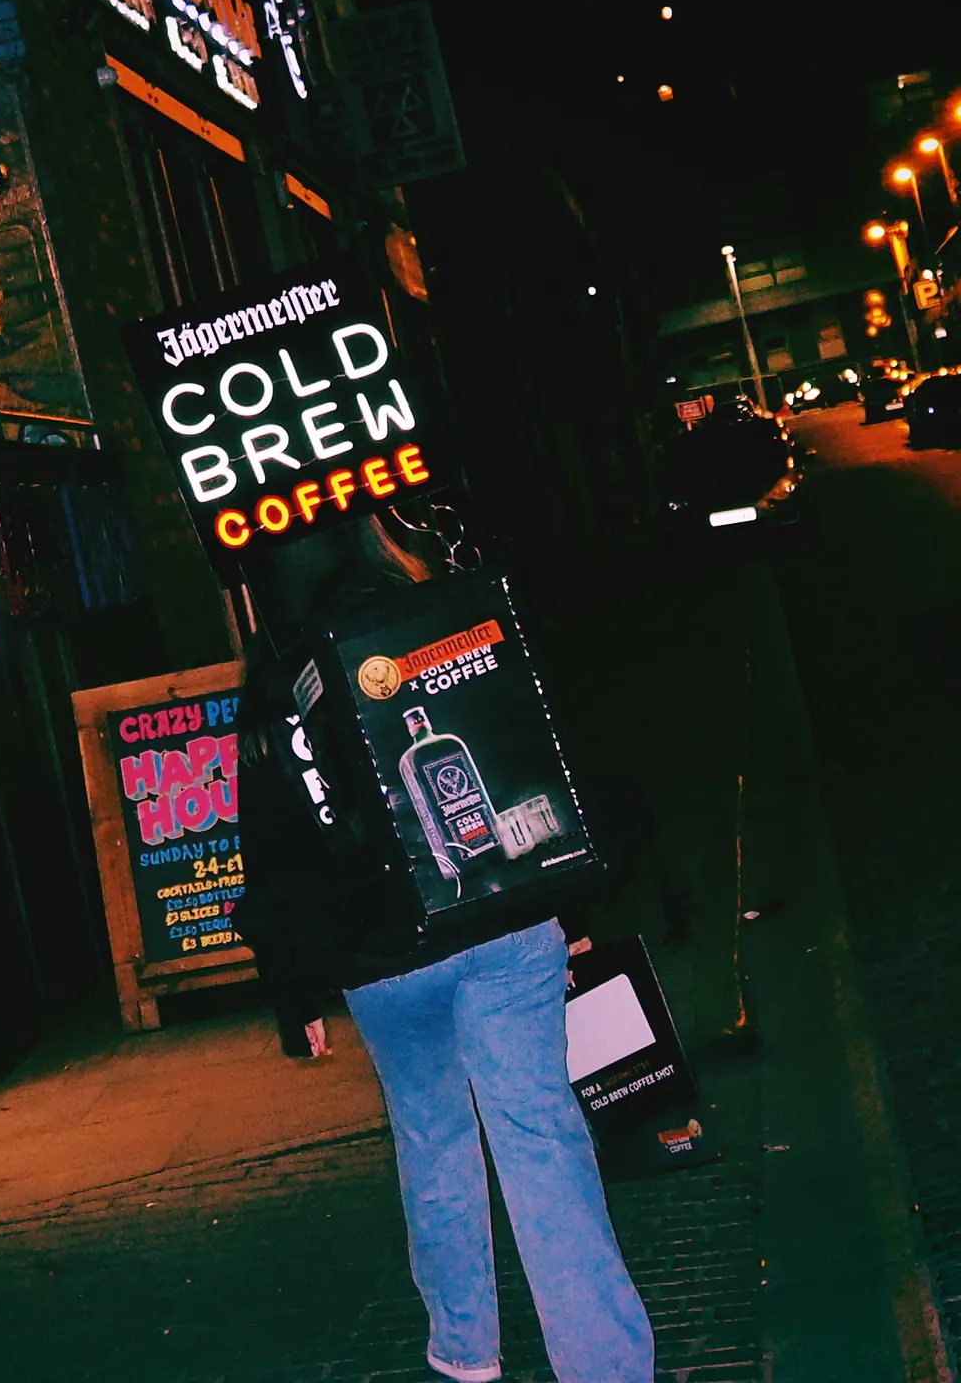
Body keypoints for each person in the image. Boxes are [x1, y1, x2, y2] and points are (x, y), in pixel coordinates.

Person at [234, 516, 654, 1383]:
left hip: (381, 958)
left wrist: (295, 993)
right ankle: (606, 1367)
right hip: (500, 925)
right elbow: (542, 746)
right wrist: (571, 899)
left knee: (432, 1144)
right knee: (541, 1138)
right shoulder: (448, 616)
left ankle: (466, 1356)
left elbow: (274, 843)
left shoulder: (277, 677)